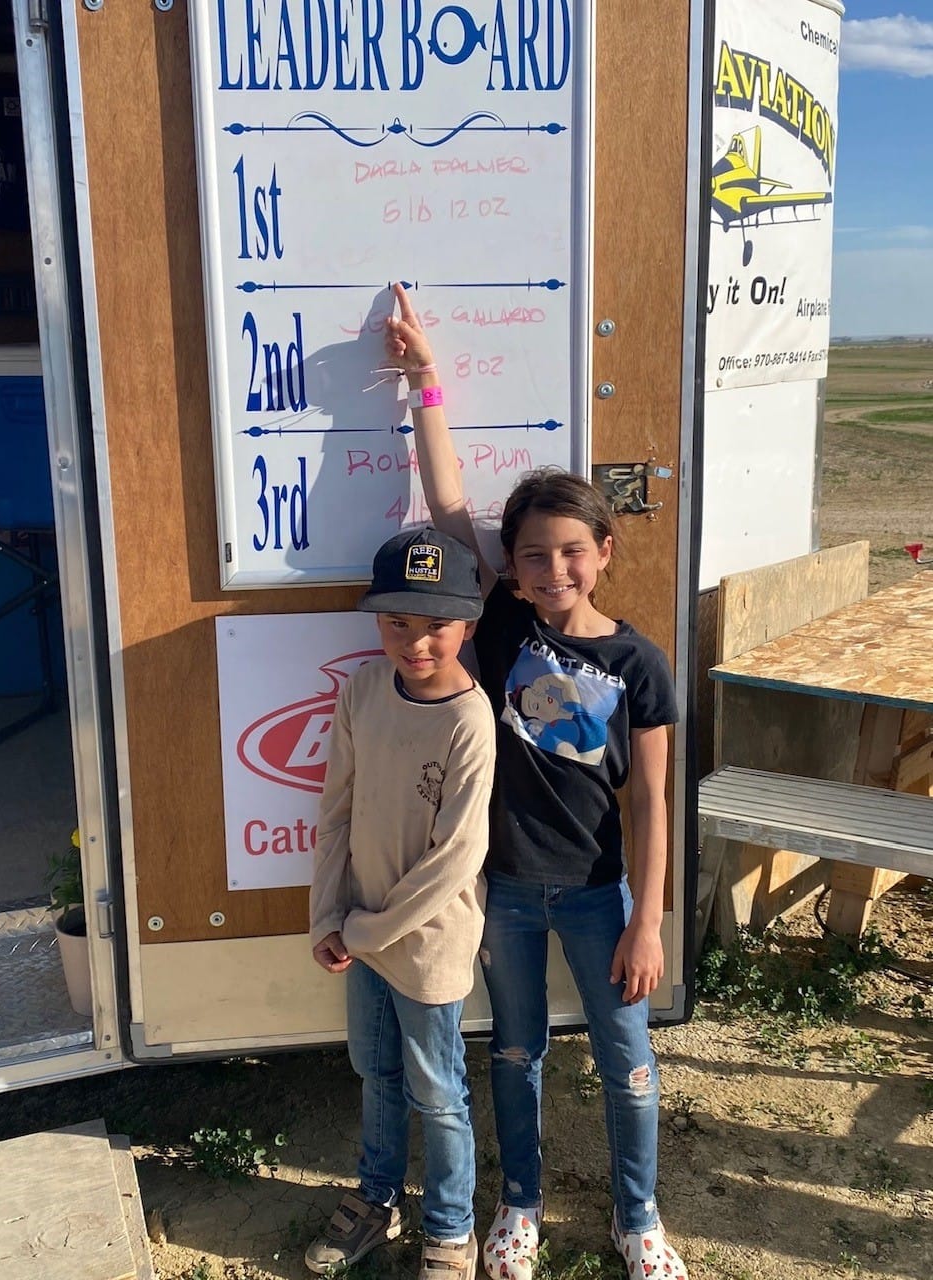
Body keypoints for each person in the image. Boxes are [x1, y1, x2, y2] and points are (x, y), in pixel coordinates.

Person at [383, 282, 690, 1280]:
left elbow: (649, 800)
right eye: (531, 555)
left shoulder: (640, 664)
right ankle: (518, 1206)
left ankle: (639, 1219)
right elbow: (447, 504)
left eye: (571, 551)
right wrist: (427, 383)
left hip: (600, 895)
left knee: (627, 1062)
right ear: (508, 570)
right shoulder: (505, 622)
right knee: (513, 1053)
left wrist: (647, 922)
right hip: (505, 892)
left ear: (602, 553)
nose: (552, 568)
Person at [306, 524, 496, 1280]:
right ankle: (377, 1197)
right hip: (358, 933)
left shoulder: (469, 722)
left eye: (436, 625)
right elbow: (336, 813)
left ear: (468, 625)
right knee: (376, 1072)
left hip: (426, 946)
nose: (416, 643)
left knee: (438, 1090)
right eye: (398, 623)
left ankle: (451, 1229)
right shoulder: (361, 690)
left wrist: (368, 930)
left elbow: (456, 860)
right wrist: (328, 917)